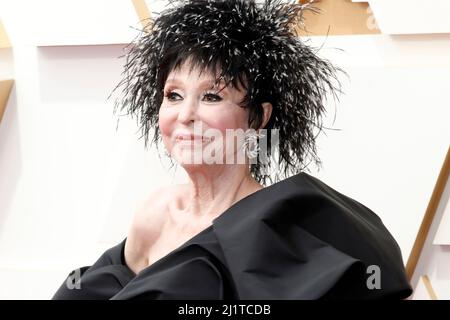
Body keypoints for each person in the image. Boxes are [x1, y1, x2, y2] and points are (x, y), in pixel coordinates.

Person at [52, 0, 412, 299]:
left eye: (212, 96)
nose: (186, 115)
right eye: (173, 95)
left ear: (258, 117)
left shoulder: (284, 228)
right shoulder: (154, 213)